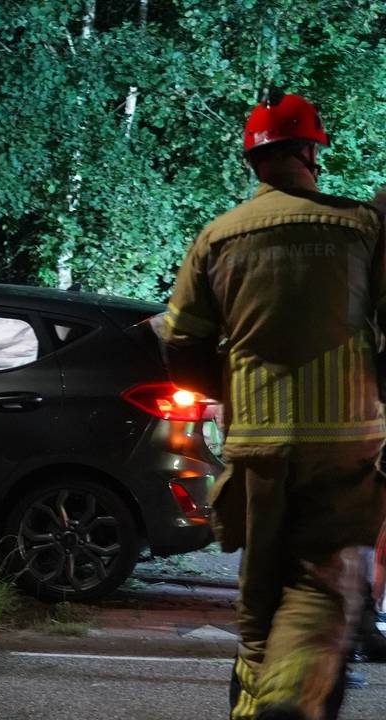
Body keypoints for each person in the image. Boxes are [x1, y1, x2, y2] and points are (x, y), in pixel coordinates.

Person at [162, 91, 386, 720]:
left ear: (252, 162)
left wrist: (235, 395)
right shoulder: (361, 228)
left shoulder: (217, 237)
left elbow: (182, 343)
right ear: (313, 152)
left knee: (258, 598)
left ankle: (255, 703)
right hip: (342, 444)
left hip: (255, 445)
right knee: (320, 582)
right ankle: (288, 700)